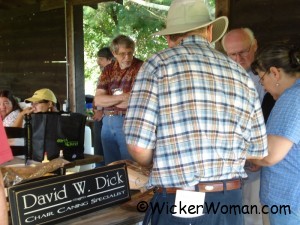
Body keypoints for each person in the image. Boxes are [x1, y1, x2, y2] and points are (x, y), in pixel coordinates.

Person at [123, 1, 267, 224]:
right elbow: (257, 153)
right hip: (228, 200)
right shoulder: (239, 73)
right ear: (209, 31)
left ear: (171, 36)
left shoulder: (159, 65)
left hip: (184, 195)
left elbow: (138, 147)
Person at [222, 28, 275, 225]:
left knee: (255, 211)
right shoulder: (222, 76)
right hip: (232, 157)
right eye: (232, 54)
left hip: (261, 155)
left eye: (243, 52)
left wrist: (257, 152)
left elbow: (271, 115)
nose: (238, 58)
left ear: (255, 46)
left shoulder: (268, 75)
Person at [250, 44, 300, 225]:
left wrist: (239, 152)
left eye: (262, 80)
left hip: (289, 201)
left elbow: (270, 155)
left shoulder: (292, 97)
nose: (264, 88)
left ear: (275, 73)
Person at [94, 35, 143, 165]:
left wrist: (110, 99)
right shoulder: (108, 69)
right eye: (122, 54)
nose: (127, 57)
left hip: (128, 121)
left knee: (130, 166)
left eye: (130, 53)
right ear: (114, 53)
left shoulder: (140, 67)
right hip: (107, 121)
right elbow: (98, 100)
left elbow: (136, 100)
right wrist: (122, 97)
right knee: (111, 167)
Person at [93, 47, 114, 167]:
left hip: (106, 116)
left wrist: (100, 110)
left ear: (110, 60)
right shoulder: (104, 74)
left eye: (101, 59)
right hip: (102, 115)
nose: (98, 62)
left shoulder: (112, 75)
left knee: (102, 150)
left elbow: (107, 95)